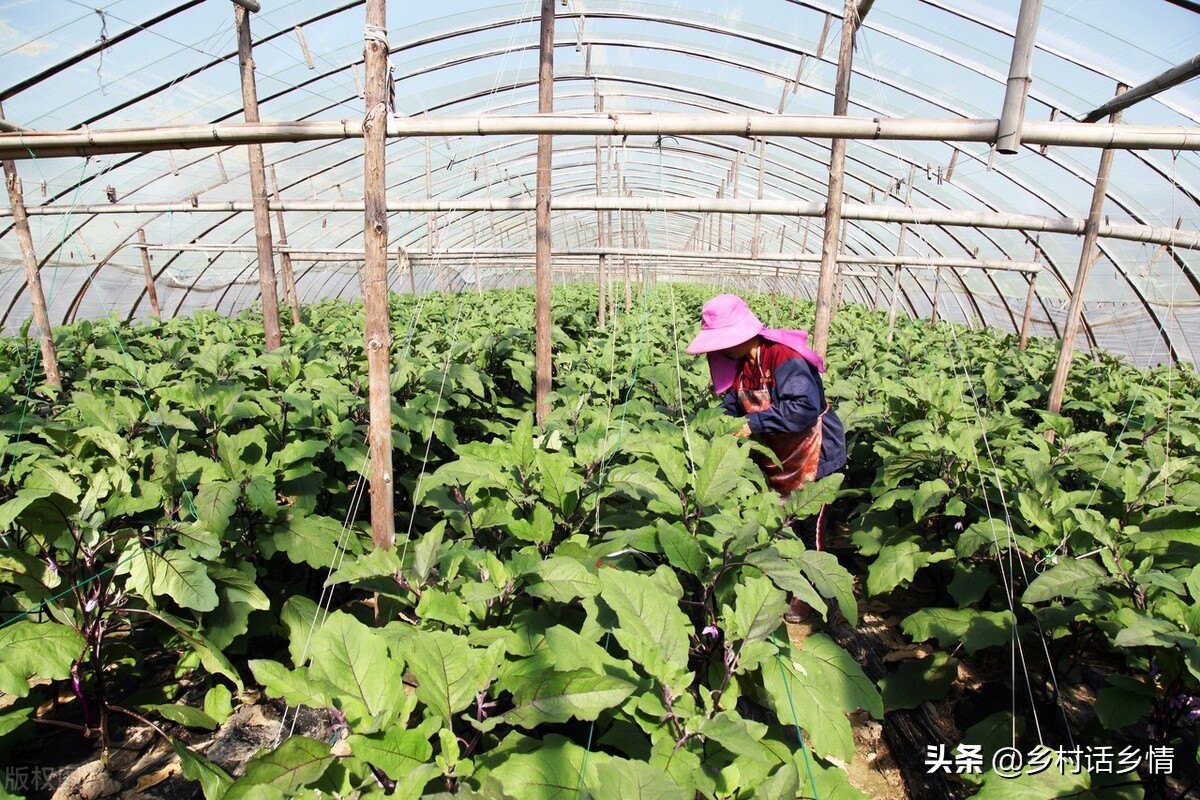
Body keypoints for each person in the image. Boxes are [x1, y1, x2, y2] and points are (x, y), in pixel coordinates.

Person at [686, 294, 846, 620]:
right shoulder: (743, 367)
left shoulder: (784, 357)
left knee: (807, 527)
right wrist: (710, 430)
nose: (720, 350)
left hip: (815, 453)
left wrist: (754, 424)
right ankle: (785, 582)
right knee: (780, 525)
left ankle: (815, 595)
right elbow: (732, 409)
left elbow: (803, 408)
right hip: (779, 457)